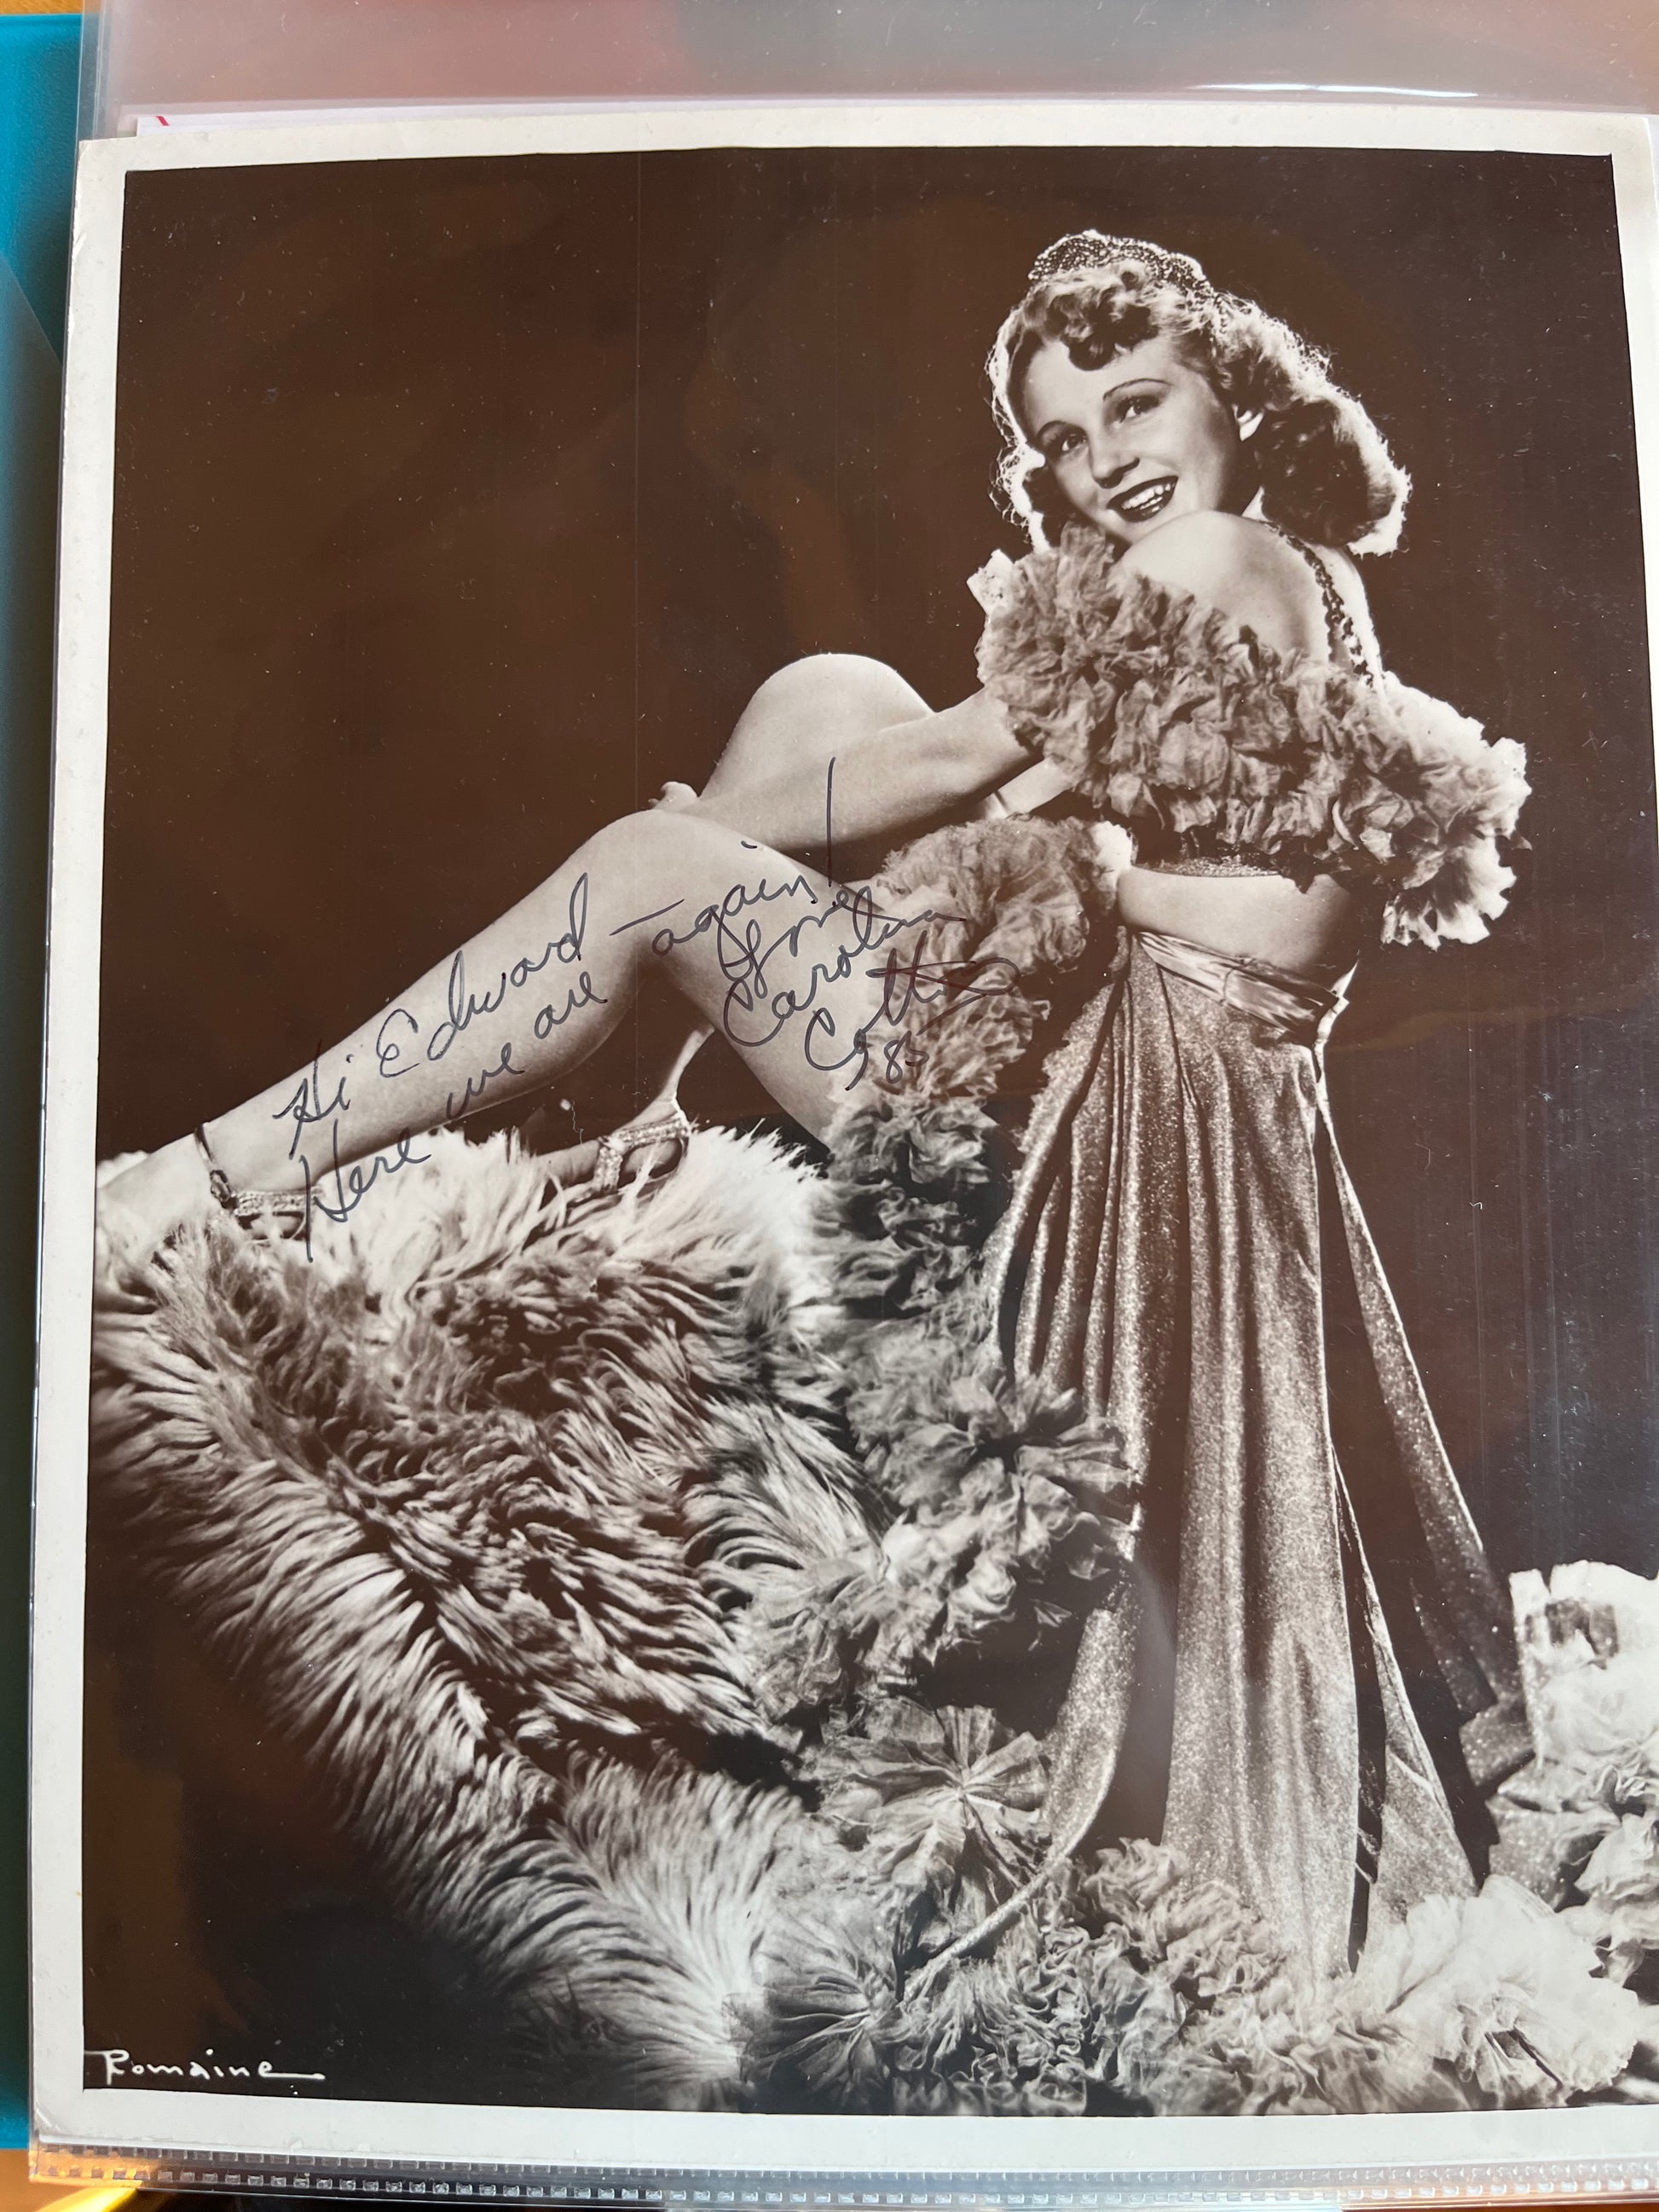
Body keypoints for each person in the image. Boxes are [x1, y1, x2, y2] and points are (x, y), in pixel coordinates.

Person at [101, 232, 1531, 1984]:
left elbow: (1018, 795)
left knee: (649, 867)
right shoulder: (1277, 577)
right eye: (1063, 439)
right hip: (1093, 1057)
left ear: (1233, 393)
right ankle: (614, 1081)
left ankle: (215, 1166)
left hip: (1102, 1159)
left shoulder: (1207, 557)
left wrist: (700, 842)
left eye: (1134, 402)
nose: (1105, 460)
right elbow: (1024, 788)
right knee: (827, 692)